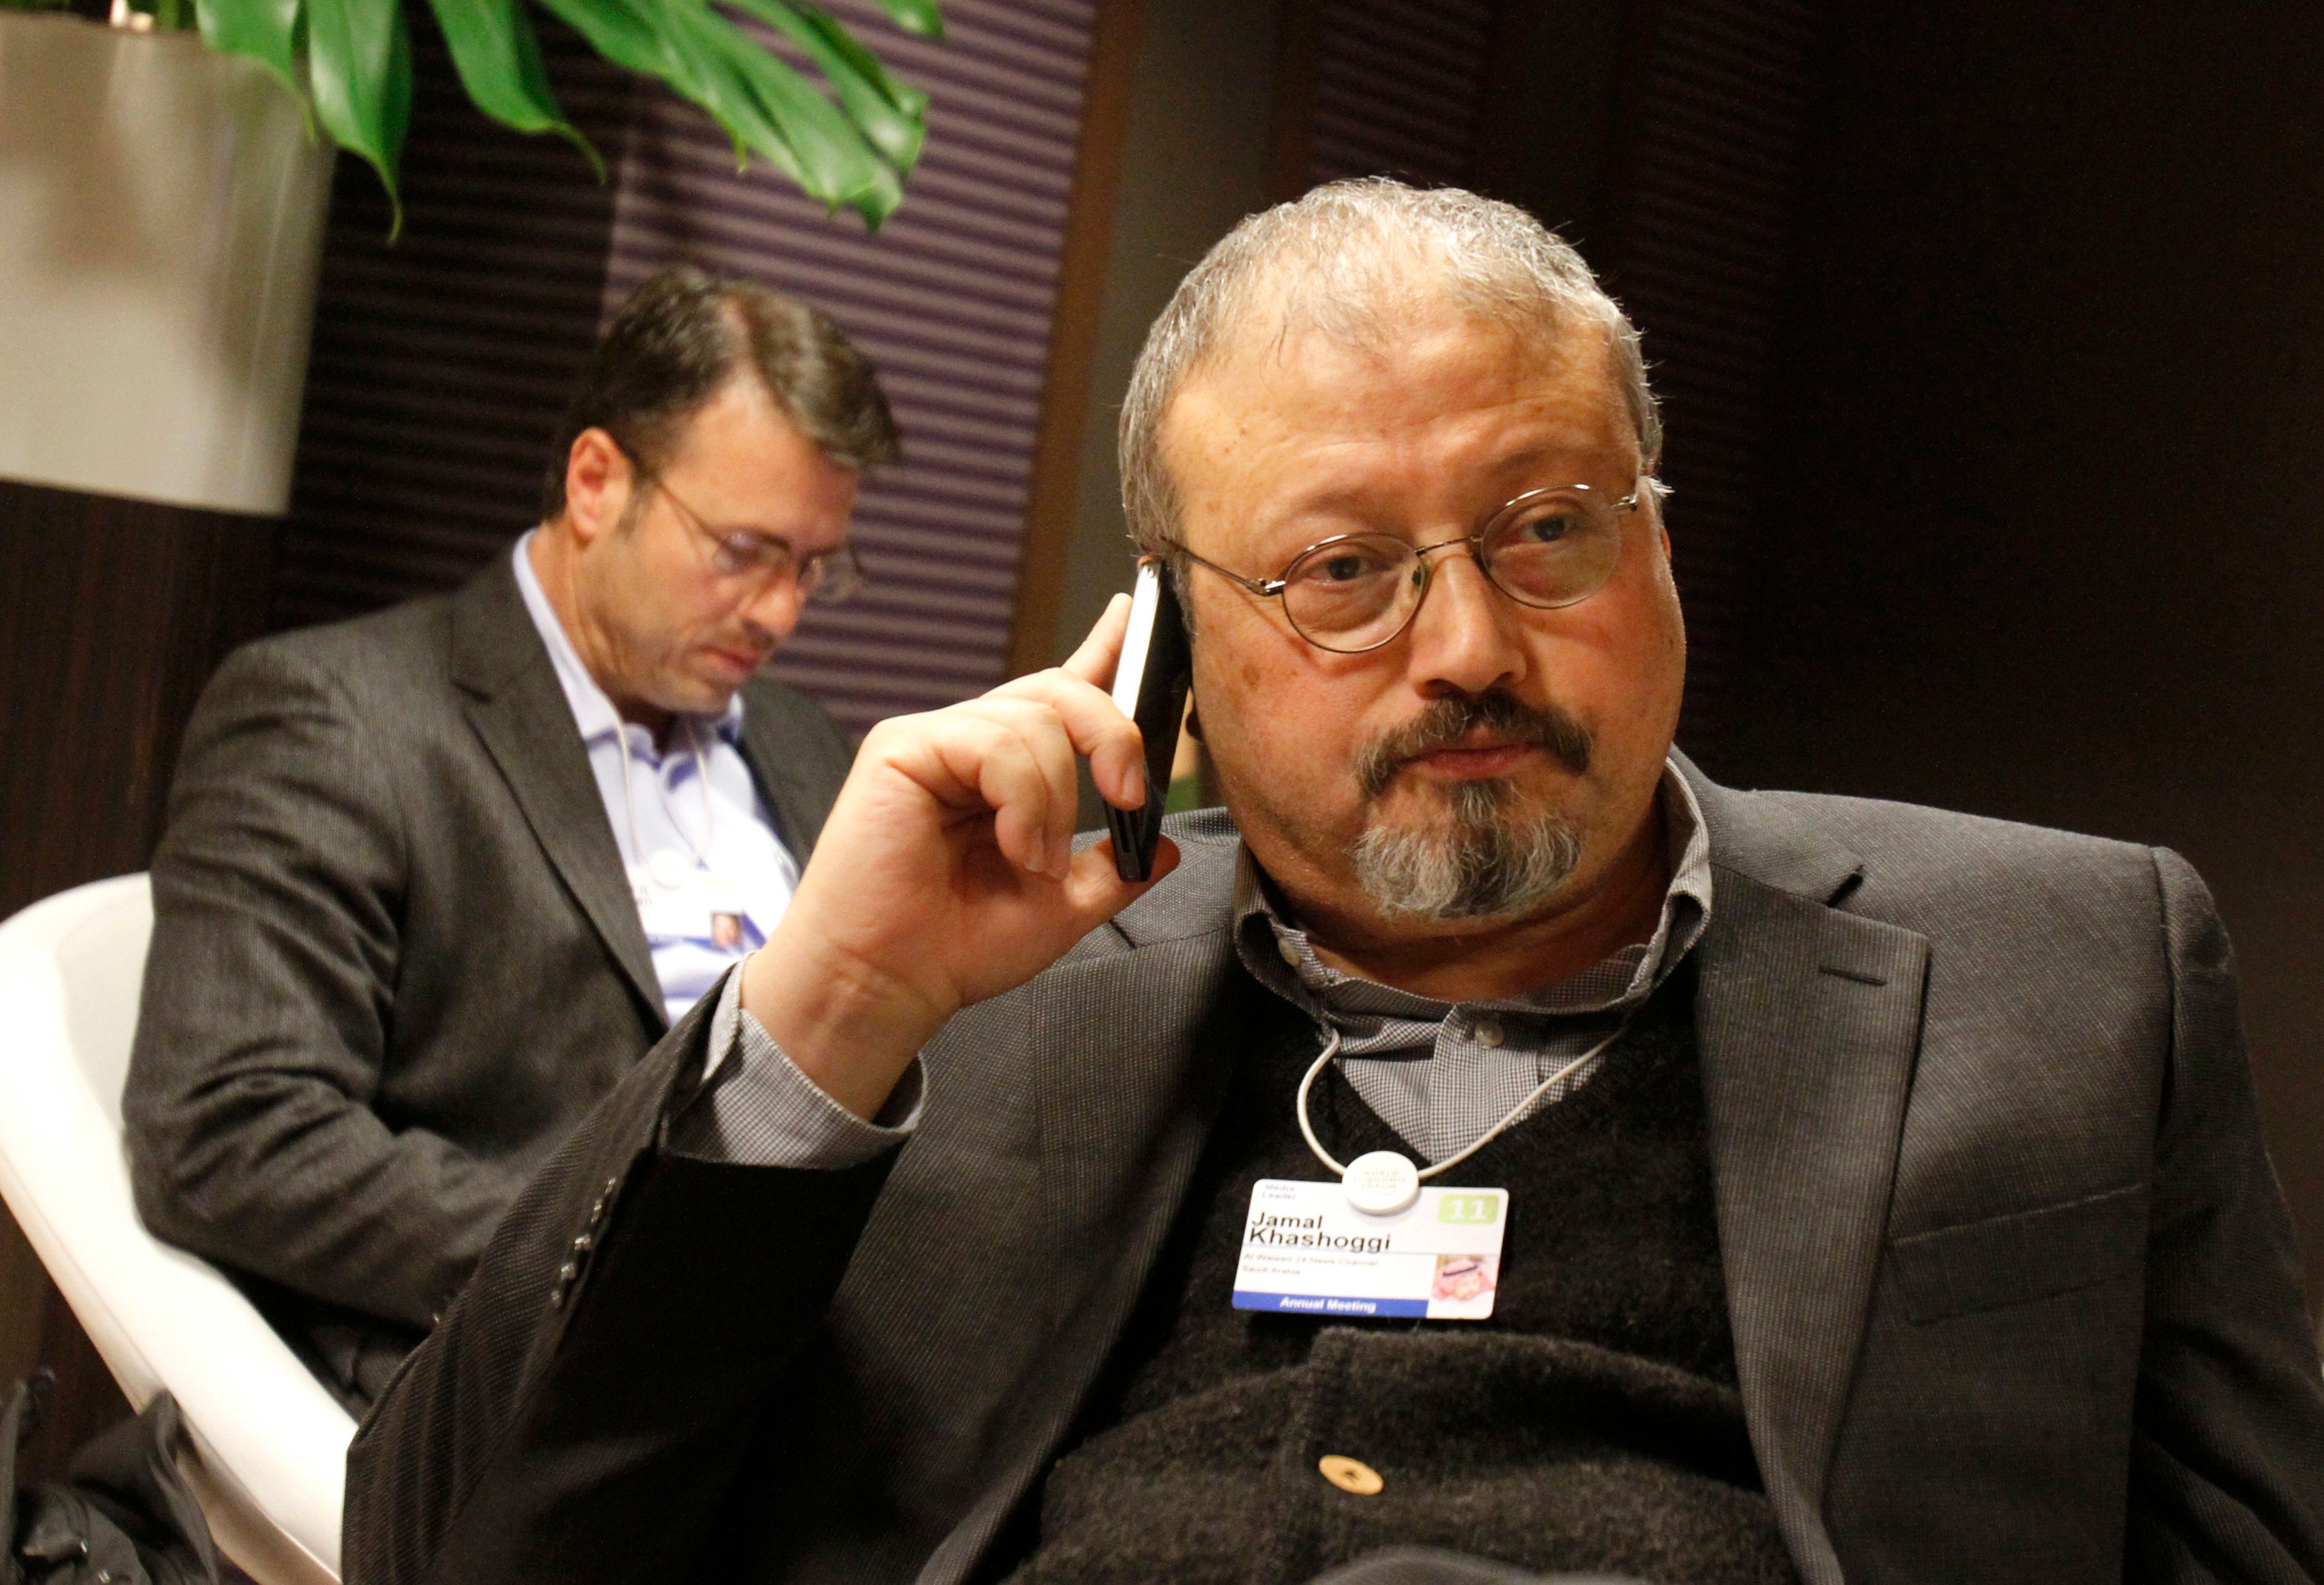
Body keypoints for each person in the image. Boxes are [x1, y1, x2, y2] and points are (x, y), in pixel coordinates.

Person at [343, 183, 2324, 1584]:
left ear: (1656, 547)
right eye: (1342, 571)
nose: (1464, 645)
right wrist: (823, 1012)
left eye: (1546, 528)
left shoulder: (2064, 965)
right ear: (1167, 644)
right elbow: (441, 1546)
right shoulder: (972, 1004)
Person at [123, 268, 899, 1410]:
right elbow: (227, 1131)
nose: (780, 612)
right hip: (531, 1378)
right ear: (596, 482)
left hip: (811, 1353)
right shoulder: (342, 717)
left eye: (812, 568)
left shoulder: (801, 744)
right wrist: (630, 1262)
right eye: (743, 550)